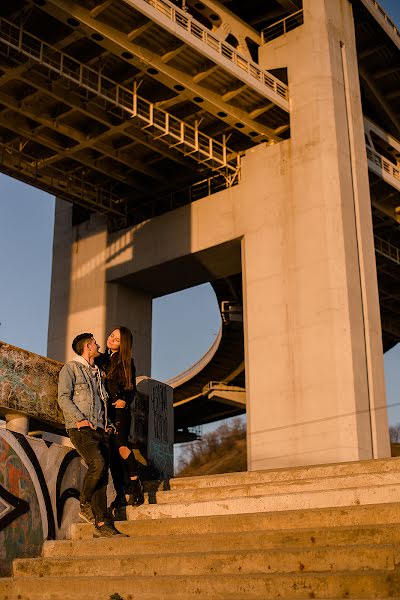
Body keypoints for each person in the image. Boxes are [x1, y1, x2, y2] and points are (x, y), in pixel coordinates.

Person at [57, 332, 127, 537]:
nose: (98, 345)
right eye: (95, 343)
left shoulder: (97, 373)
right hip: (80, 428)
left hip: (100, 429)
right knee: (98, 464)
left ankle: (101, 523)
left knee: (103, 477)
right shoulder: (70, 368)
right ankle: (84, 503)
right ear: (88, 346)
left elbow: (102, 403)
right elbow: (63, 397)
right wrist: (79, 419)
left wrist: (110, 425)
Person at [96, 326, 144, 510]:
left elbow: (131, 389)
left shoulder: (126, 362)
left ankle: (136, 486)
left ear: (122, 344)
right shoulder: (101, 359)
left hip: (120, 412)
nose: (111, 339)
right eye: (111, 336)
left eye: (116, 339)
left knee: (121, 446)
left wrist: (124, 400)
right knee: (113, 457)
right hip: (105, 412)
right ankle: (121, 495)